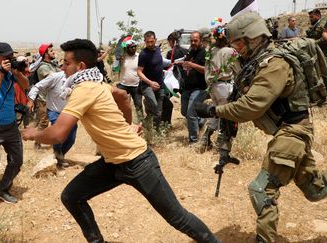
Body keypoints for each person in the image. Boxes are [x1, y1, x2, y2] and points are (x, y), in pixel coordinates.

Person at [195, 12, 327, 243]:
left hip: (292, 131)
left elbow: (252, 106)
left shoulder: (275, 64)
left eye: (238, 42)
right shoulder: (260, 63)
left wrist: (214, 110)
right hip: (291, 131)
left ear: (251, 37)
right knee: (315, 189)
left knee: (262, 190)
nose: (236, 48)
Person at [21, 38, 220, 243]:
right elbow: (123, 95)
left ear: (80, 66)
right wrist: (128, 126)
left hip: (138, 162)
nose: (62, 67)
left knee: (178, 218)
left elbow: (58, 134)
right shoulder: (95, 82)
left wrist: (34, 133)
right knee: (71, 196)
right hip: (113, 162)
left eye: (66, 63)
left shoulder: (84, 89)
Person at [198, 25, 240, 159]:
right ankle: (221, 144)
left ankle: (206, 139)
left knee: (214, 113)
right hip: (225, 86)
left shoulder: (211, 51)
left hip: (213, 86)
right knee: (225, 115)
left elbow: (206, 70)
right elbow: (238, 70)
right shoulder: (231, 52)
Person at [0, 42, 29, 204]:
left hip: (10, 125)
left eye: (11, 56)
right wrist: (1, 73)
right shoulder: (2, 72)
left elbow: (26, 86)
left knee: (17, 161)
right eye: (6, 57)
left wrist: (17, 73)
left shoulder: (11, 73)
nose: (10, 59)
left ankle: (2, 189)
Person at [27, 71, 78, 169]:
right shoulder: (56, 77)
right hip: (55, 111)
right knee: (58, 135)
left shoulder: (80, 78)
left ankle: (59, 154)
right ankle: (58, 158)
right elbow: (37, 86)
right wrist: (31, 100)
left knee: (71, 139)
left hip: (70, 112)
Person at [178, 31, 208, 144]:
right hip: (187, 88)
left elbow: (206, 69)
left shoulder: (204, 52)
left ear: (200, 40)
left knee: (191, 113)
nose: (193, 42)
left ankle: (193, 142)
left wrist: (192, 65)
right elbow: (188, 64)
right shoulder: (191, 51)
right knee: (184, 112)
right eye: (191, 40)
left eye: (195, 40)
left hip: (199, 88)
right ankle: (201, 121)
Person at [32, 43, 60, 149]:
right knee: (43, 122)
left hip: (52, 99)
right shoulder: (43, 67)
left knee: (52, 121)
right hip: (44, 99)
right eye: (51, 51)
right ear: (46, 54)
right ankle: (37, 144)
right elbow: (52, 78)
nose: (54, 52)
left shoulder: (52, 65)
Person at [137, 31, 165, 131]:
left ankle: (155, 132)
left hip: (160, 85)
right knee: (153, 105)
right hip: (147, 85)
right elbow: (139, 72)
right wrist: (150, 83)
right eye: (147, 42)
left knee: (158, 112)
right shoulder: (143, 54)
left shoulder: (158, 49)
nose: (150, 44)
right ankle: (147, 105)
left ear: (155, 40)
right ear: (145, 41)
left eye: (152, 42)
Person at [162, 31, 189, 126]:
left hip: (173, 81)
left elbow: (168, 67)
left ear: (172, 41)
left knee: (164, 100)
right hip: (184, 81)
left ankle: (166, 123)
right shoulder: (185, 51)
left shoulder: (171, 53)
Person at [117, 39, 144, 124]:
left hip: (136, 85)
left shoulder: (139, 56)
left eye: (135, 47)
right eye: (131, 47)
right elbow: (115, 68)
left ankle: (141, 123)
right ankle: (120, 122)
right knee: (118, 104)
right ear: (127, 48)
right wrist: (119, 61)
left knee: (138, 105)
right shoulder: (122, 57)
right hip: (123, 84)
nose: (133, 48)